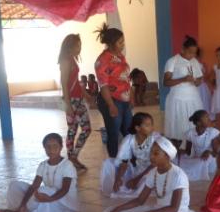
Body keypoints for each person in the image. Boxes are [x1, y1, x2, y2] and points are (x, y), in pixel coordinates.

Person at [102, 136, 203, 212]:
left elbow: (174, 209)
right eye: (151, 153)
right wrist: (118, 209)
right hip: (159, 208)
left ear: (167, 156)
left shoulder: (178, 175)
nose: (151, 157)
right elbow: (140, 200)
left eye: (156, 154)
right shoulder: (153, 172)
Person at [0, 133, 79, 212]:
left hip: (64, 201)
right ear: (44, 148)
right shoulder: (43, 165)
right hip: (48, 198)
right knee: (15, 185)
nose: (51, 149)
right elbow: (34, 186)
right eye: (48, 147)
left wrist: (49, 199)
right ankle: (20, 210)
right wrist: (23, 204)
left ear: (61, 147)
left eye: (55, 146)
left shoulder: (67, 165)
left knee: (44, 190)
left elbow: (65, 190)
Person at [95, 23, 133, 158]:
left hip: (124, 100)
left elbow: (126, 79)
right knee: (113, 133)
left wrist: (130, 97)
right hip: (111, 100)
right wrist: (111, 105)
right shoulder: (103, 60)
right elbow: (103, 85)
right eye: (120, 42)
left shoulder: (120, 56)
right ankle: (114, 163)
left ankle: (129, 161)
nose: (123, 44)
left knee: (129, 131)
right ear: (111, 43)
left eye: (123, 41)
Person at [100, 112, 159, 198]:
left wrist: (137, 179)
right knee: (108, 163)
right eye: (148, 125)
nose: (152, 128)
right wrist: (118, 178)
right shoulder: (129, 139)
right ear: (137, 128)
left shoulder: (156, 139)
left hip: (154, 169)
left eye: (151, 125)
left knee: (145, 184)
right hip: (139, 169)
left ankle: (140, 182)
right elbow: (123, 161)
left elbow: (156, 163)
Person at [59, 34, 92, 171]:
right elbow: (64, 83)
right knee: (86, 129)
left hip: (75, 99)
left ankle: (72, 158)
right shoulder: (66, 61)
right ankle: (73, 157)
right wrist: (68, 106)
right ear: (70, 46)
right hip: (72, 101)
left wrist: (85, 94)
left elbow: (74, 82)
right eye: (78, 45)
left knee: (72, 130)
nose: (80, 48)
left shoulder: (71, 60)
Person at [163, 36, 204, 147]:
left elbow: (200, 78)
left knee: (193, 125)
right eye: (190, 52)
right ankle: (178, 150)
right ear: (182, 49)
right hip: (178, 99)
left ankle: (192, 149)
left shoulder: (194, 61)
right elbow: (166, 82)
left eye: (194, 53)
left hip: (193, 98)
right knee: (179, 126)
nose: (192, 55)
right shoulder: (172, 61)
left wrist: (197, 81)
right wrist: (183, 79)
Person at [178, 110, 220, 181]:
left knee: (204, 160)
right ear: (198, 123)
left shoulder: (212, 132)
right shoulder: (190, 133)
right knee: (179, 159)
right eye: (206, 118)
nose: (209, 119)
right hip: (198, 158)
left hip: (210, 159)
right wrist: (181, 151)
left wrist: (208, 152)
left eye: (208, 117)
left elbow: (216, 153)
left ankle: (196, 169)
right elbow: (188, 151)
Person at [196, 47, 213, 118]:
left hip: (201, 86)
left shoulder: (201, 64)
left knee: (203, 102)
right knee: (201, 103)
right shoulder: (201, 64)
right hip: (198, 86)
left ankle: (202, 118)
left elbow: (205, 78)